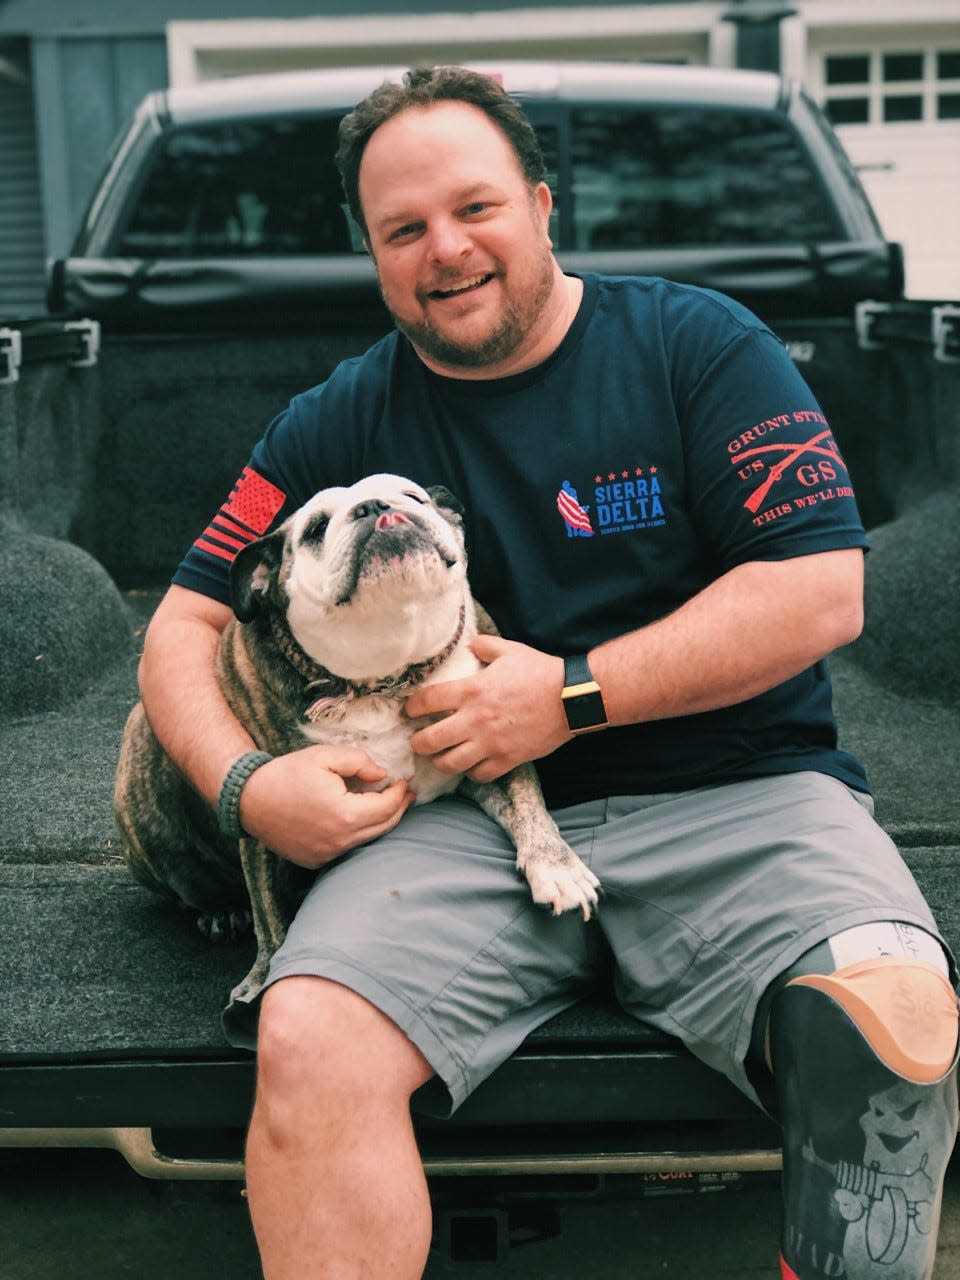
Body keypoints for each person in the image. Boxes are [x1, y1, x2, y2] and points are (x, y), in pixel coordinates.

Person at [138, 66, 958, 1280]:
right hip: (446, 821)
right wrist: (248, 787)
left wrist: (569, 696)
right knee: (308, 1038)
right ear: (373, 255)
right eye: (403, 229)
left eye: (476, 208)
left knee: (886, 1017)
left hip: (738, 792)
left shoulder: (699, 347)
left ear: (541, 204)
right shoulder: (335, 422)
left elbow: (820, 590)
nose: (446, 249)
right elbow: (179, 628)